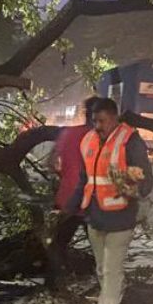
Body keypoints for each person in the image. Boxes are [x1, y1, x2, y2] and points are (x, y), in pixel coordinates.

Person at [66, 98, 153, 304]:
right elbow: (85, 180)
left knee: (112, 267)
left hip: (121, 215)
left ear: (115, 118)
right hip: (95, 215)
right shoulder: (89, 141)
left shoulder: (130, 141)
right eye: (95, 120)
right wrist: (69, 208)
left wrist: (134, 188)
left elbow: (145, 181)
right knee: (102, 268)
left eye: (102, 121)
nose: (98, 125)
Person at [47, 97, 99, 286]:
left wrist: (65, 175)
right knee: (100, 247)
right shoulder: (103, 139)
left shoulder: (68, 133)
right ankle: (104, 287)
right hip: (94, 202)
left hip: (67, 198)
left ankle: (55, 282)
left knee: (58, 243)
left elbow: (51, 163)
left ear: (85, 114)